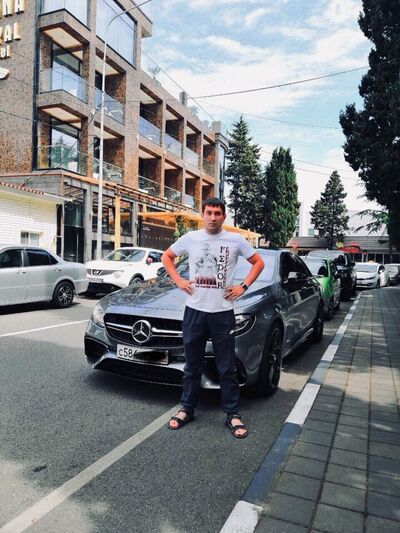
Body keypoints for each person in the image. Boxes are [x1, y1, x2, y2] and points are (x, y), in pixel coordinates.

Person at [161, 198, 264, 438]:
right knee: (192, 366)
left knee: (226, 367)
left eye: (217, 213)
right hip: (194, 311)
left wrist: (243, 286)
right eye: (209, 212)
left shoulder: (235, 240)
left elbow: (258, 262)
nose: (213, 217)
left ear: (223, 216)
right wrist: (179, 281)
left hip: (222, 312)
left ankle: (232, 414)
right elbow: (167, 257)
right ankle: (187, 409)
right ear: (202, 214)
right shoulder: (191, 238)